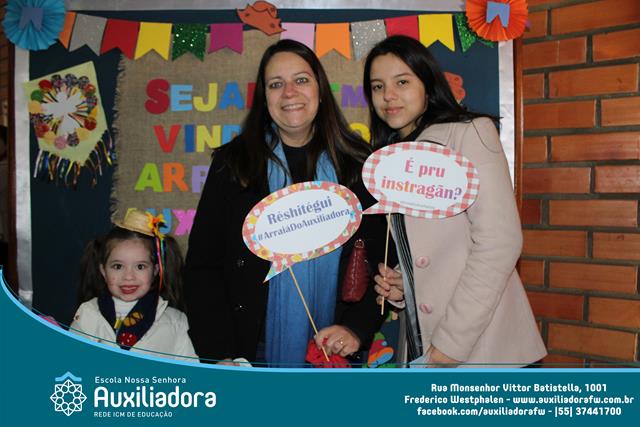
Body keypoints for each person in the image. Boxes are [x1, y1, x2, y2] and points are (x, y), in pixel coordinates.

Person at [184, 39, 394, 367]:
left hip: (334, 349)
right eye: (276, 84)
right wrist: (218, 352)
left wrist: (356, 328)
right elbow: (203, 267)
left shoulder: (357, 164)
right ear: (264, 97)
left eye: (301, 80)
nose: (289, 93)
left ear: (320, 91)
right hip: (247, 355)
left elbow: (383, 262)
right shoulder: (233, 164)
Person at [364, 36, 546, 367]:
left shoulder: (468, 133)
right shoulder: (390, 157)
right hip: (420, 344)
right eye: (378, 86)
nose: (388, 95)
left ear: (427, 83)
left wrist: (451, 345)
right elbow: (432, 249)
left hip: (481, 348)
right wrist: (405, 282)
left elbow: (500, 242)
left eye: (402, 82)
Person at [70, 209, 198, 362]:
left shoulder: (176, 322)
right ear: (103, 270)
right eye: (118, 266)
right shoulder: (87, 316)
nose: (128, 277)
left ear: (155, 270)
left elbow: (190, 370)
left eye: (140, 266)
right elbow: (71, 363)